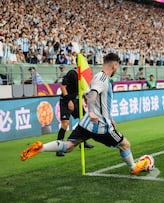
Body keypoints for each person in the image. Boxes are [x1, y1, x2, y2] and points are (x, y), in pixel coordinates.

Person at [20, 53, 150, 175]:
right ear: (114, 65)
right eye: (118, 66)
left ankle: (41, 148)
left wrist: (109, 117)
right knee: (125, 144)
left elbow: (94, 98)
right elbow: (92, 95)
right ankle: (133, 168)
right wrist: (93, 112)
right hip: (100, 126)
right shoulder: (103, 78)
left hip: (86, 123)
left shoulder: (98, 77)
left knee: (69, 146)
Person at [55, 66, 94, 156]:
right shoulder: (72, 73)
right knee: (65, 123)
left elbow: (81, 90)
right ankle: (58, 148)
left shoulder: (82, 77)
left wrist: (86, 99)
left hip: (75, 100)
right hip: (65, 101)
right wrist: (69, 101)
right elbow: (63, 87)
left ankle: (83, 143)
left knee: (84, 119)